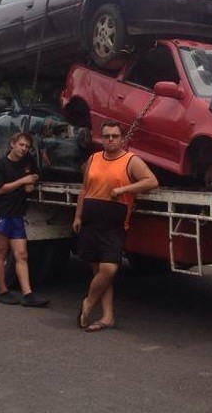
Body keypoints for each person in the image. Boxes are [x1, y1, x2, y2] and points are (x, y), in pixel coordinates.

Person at [74, 120, 158, 332]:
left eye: (115, 136)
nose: (110, 139)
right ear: (101, 138)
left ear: (122, 139)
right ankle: (108, 317)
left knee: (109, 269)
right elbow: (84, 190)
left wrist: (124, 190)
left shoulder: (130, 160)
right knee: (98, 271)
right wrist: (78, 216)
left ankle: (88, 303)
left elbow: (151, 181)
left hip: (114, 221)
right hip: (91, 220)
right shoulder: (93, 158)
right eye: (106, 136)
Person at [0, 131, 50, 307]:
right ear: (12, 143)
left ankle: (28, 294)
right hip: (0, 214)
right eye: (21, 145)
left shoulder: (28, 160)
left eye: (27, 146)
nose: (24, 149)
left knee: (22, 254)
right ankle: (3, 291)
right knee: (1, 252)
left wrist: (33, 180)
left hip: (16, 215)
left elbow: (37, 174)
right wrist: (23, 181)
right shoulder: (0, 165)